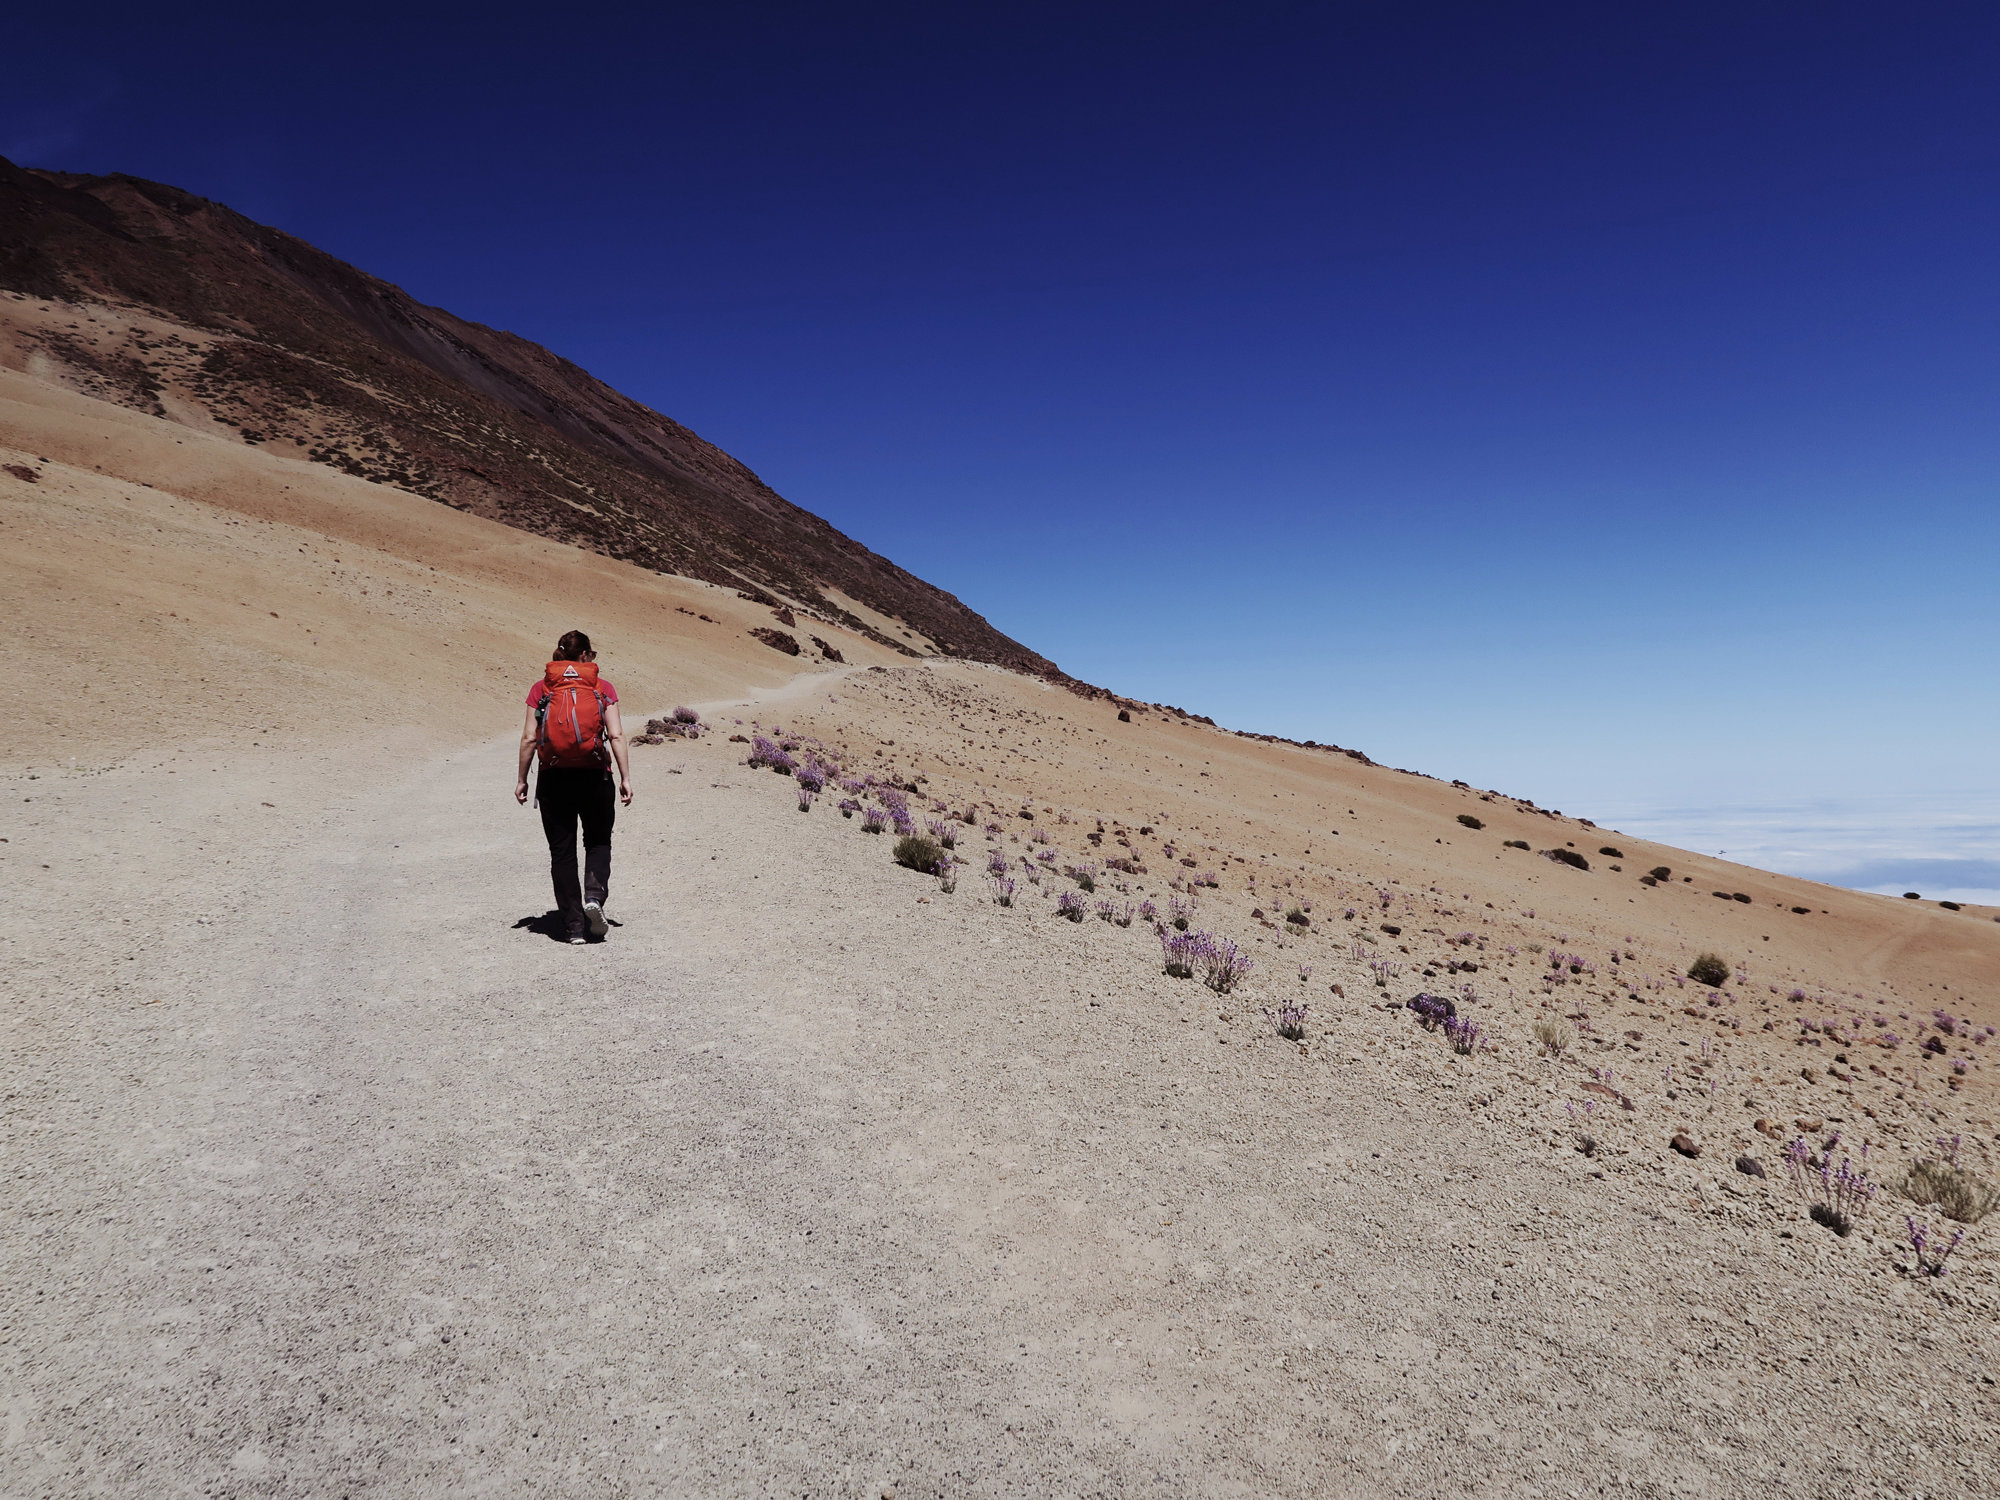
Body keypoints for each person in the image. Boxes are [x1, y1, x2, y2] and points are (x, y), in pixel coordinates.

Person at [515, 630, 633, 943]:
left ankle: (573, 926)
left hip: (554, 778)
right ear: (585, 657)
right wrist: (625, 777)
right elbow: (617, 735)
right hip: (596, 775)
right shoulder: (602, 687)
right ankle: (594, 898)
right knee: (597, 841)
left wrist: (522, 778)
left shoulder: (541, 688)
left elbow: (529, 737)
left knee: (562, 852)